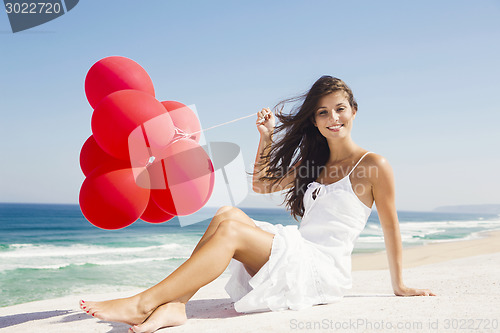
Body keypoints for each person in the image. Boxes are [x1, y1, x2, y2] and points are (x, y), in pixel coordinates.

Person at [79, 76, 435, 333]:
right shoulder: (312, 162)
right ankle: (174, 304)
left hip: (322, 271)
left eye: (340, 109)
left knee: (232, 228)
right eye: (323, 113)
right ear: (314, 120)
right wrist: (265, 138)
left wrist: (400, 285)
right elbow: (262, 185)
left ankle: (144, 303)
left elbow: (391, 226)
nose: (333, 119)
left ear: (354, 110)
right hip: (299, 251)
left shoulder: (374, 165)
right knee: (226, 213)